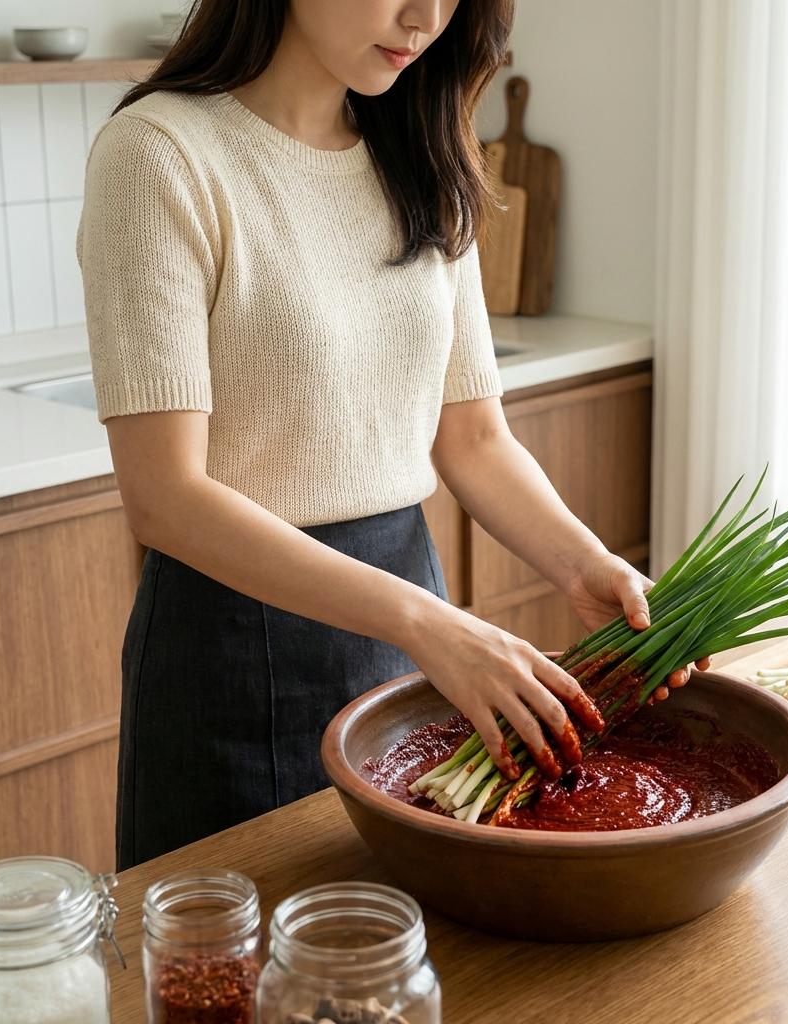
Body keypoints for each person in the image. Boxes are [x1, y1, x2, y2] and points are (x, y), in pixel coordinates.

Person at [77, 0, 704, 871]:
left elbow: (475, 441)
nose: (425, 18)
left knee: (409, 963)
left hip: (406, 626)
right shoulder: (161, 155)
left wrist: (586, 567)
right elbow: (166, 499)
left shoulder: (424, 157)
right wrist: (430, 624)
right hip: (233, 645)